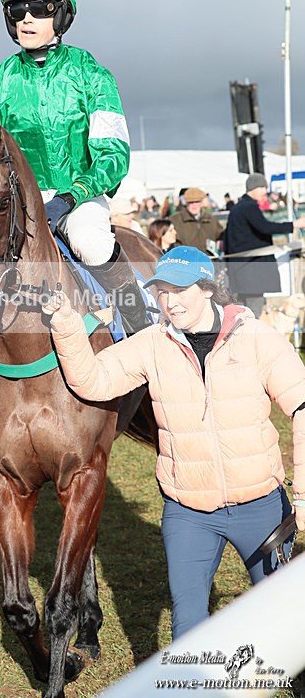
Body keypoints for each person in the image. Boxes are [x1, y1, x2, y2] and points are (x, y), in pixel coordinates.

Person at [43, 245, 305, 640]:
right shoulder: (152, 343)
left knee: (286, 617)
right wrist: (65, 323)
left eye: (180, 290)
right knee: (188, 627)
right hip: (188, 512)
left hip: (262, 506)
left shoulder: (257, 338)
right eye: (162, 291)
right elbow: (92, 380)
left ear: (208, 289)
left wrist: (301, 496)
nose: (170, 301)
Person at [0, 0, 148, 391]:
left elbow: (113, 154)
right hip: (17, 199)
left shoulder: (92, 74)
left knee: (91, 241)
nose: (28, 19)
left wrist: (70, 197)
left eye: (41, 9)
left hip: (80, 194)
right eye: (18, 11)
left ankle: (142, 327)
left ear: (63, 13)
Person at [224, 173, 305, 318]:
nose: (265, 191)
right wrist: (295, 224)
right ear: (253, 188)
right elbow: (265, 227)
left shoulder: (239, 207)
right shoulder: (248, 206)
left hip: (243, 271)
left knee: (244, 312)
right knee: (253, 314)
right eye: (262, 187)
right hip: (251, 272)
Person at [170, 186, 224, 254]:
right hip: (186, 261)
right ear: (186, 203)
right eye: (191, 202)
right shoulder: (175, 220)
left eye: (197, 202)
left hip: (208, 261)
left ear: (201, 203)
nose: (194, 205)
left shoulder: (211, 220)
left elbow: (221, 235)